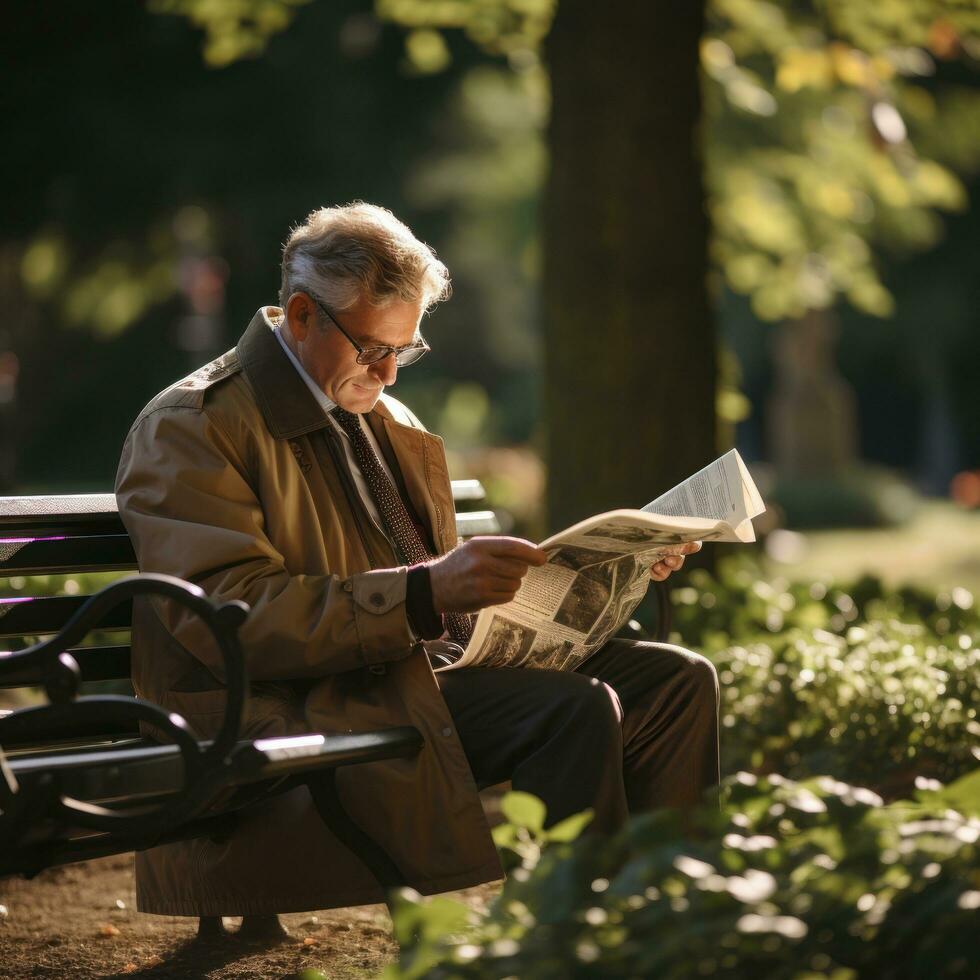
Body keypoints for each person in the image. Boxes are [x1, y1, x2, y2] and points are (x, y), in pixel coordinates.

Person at [115, 202, 718, 942]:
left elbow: (433, 587)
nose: (391, 372)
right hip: (299, 699)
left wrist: (607, 573)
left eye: (406, 349)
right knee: (571, 709)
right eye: (373, 348)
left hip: (404, 672)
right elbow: (224, 620)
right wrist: (423, 593)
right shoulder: (194, 424)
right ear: (301, 315)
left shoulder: (387, 419)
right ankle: (565, 943)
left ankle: (666, 925)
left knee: (678, 680)